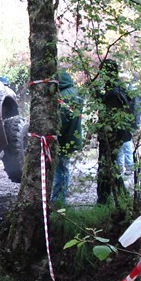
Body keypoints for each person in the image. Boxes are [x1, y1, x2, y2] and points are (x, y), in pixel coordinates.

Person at [95, 59, 132, 204]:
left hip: (110, 138)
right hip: (115, 137)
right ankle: (118, 199)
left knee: (107, 169)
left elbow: (110, 116)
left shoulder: (113, 93)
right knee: (110, 168)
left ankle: (107, 200)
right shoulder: (119, 89)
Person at [51, 71, 84, 203]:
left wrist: (54, 136)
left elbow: (61, 122)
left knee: (60, 171)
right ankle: (59, 199)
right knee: (63, 168)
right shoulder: (75, 93)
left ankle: (58, 201)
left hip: (64, 139)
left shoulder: (63, 97)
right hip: (72, 137)